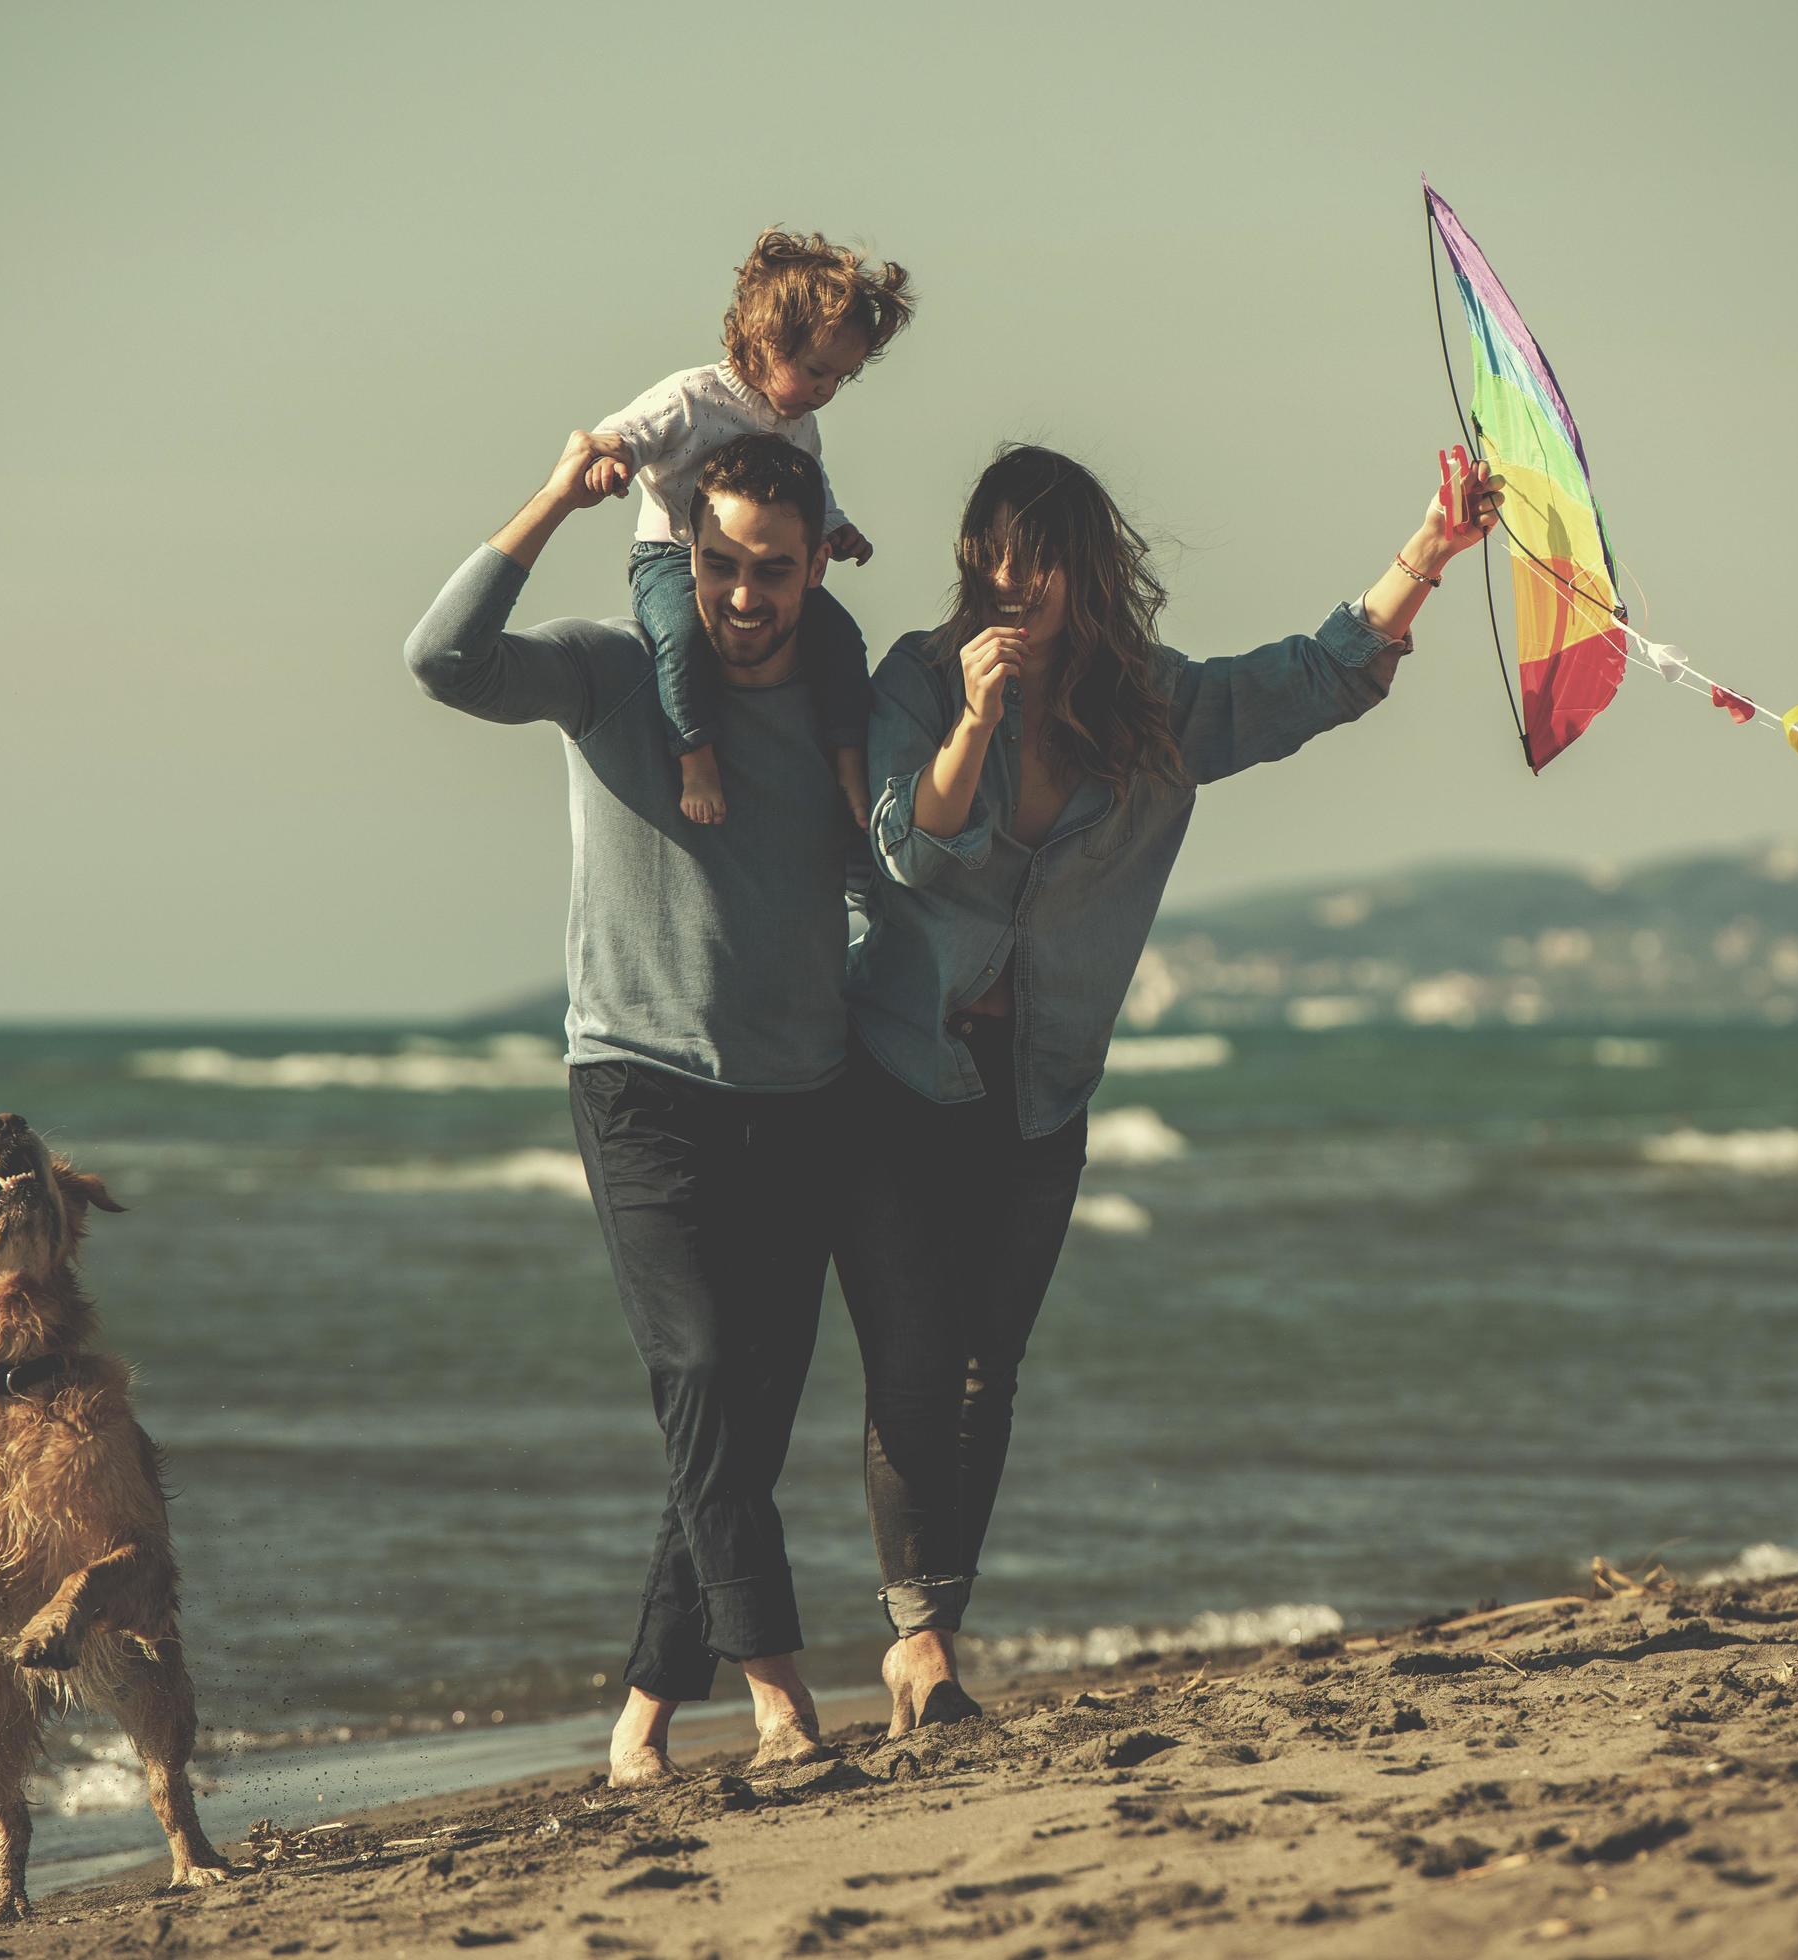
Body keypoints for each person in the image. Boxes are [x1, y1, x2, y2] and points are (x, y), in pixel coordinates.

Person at [835, 443, 1501, 1733]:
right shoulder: (919, 679)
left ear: (1086, 573)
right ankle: (919, 1645)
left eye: (1036, 566)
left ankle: (936, 1635)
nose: (1010, 588)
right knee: (912, 1366)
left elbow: (1310, 679)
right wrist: (976, 718)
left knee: (988, 1372)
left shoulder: (1150, 709)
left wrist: (1426, 553)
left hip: (1040, 1090)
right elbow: (909, 848)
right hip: (903, 1075)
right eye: (991, 564)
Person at [403, 429, 862, 1787]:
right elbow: (440, 660)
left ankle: (644, 1718)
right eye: (717, 562)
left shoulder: (838, 707)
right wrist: (555, 493)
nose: (740, 595)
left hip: (802, 1099)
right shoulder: (611, 669)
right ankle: (778, 1693)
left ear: (818, 558)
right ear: (685, 554)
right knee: (705, 1376)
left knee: (734, 1433)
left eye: (772, 569)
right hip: (640, 1086)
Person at [585, 228, 914, 829]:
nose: (826, 391)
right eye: (816, 371)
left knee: (841, 639)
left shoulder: (800, 424)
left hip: (765, 565)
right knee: (681, 638)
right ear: (766, 341)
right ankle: (696, 755)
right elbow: (622, 432)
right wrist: (615, 461)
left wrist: (835, 530)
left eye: (840, 379)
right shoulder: (692, 397)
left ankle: (847, 756)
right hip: (673, 554)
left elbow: (814, 489)